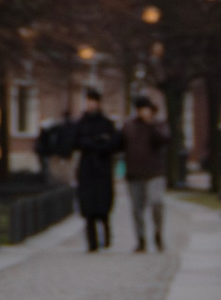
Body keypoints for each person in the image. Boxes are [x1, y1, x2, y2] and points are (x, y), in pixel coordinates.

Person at [69, 87, 124, 251]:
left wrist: (99, 144)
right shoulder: (80, 123)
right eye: (88, 102)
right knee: (88, 206)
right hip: (87, 169)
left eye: (93, 102)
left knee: (103, 205)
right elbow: (74, 142)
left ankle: (106, 236)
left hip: (103, 168)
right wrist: (93, 143)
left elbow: (115, 144)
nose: (91, 105)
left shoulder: (107, 124)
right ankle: (91, 242)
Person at [122, 92, 169, 253]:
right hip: (134, 173)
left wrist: (150, 124)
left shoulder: (158, 124)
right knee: (137, 209)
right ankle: (140, 239)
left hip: (154, 172)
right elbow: (120, 144)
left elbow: (164, 140)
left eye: (145, 109)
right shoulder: (128, 126)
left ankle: (158, 233)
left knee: (157, 202)